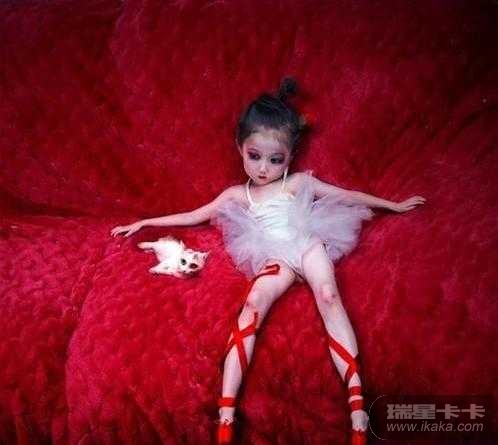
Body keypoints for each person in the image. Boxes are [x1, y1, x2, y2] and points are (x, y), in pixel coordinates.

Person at [110, 77, 426, 445]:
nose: (263, 169)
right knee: (252, 304)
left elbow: (347, 196)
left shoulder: (298, 184)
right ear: (240, 148)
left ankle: (357, 407)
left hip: (307, 243)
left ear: (290, 157)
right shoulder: (237, 195)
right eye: (254, 156)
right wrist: (145, 222)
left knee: (328, 294)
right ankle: (226, 413)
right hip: (275, 255)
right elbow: (194, 215)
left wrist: (393, 205)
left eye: (276, 160)